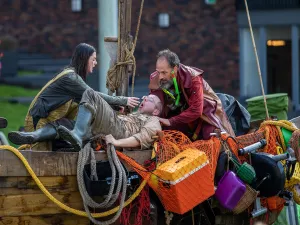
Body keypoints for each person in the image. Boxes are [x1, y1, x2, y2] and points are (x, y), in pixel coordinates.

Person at [8, 43, 140, 151]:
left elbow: (89, 102)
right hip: (40, 121)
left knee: (68, 137)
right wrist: (124, 100)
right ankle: (31, 136)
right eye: (93, 59)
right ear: (84, 59)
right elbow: (92, 95)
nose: (95, 63)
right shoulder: (71, 78)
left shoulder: (73, 80)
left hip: (52, 122)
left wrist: (115, 106)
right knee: (42, 157)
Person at [148, 49, 235, 140]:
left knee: (212, 138)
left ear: (175, 69)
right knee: (164, 135)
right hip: (178, 116)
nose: (160, 76)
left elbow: (197, 110)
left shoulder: (193, 78)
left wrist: (171, 121)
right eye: (158, 72)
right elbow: (155, 106)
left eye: (164, 72)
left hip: (205, 115)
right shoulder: (155, 79)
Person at [57, 89, 162, 151]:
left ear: (156, 111)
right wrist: (116, 108)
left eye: (150, 100)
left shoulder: (154, 121)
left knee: (90, 93)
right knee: (62, 124)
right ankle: (74, 137)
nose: (144, 99)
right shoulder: (134, 114)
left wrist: (117, 142)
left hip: (121, 131)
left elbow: (140, 139)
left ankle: (78, 135)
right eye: (145, 97)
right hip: (110, 128)